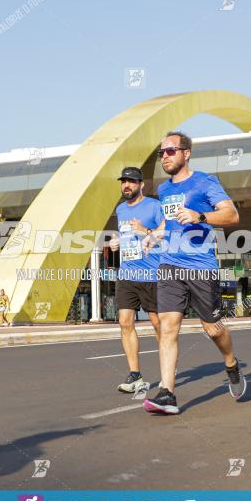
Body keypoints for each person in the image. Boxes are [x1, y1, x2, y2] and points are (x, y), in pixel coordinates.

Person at [142, 131, 245, 415]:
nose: (164, 156)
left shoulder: (205, 182)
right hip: (170, 264)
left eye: (170, 151)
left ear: (186, 153)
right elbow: (169, 220)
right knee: (167, 326)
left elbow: (232, 215)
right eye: (161, 152)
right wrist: (155, 235)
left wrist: (200, 216)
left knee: (212, 329)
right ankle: (167, 394)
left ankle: (231, 364)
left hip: (200, 267)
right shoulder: (164, 190)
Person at [109, 166, 164, 394]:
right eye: (123, 181)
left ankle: (167, 369)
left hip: (151, 273)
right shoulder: (121, 209)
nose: (126, 185)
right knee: (124, 321)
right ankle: (135, 375)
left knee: (158, 323)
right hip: (128, 274)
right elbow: (125, 236)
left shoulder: (154, 206)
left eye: (131, 182)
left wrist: (146, 230)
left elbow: (168, 233)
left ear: (141, 184)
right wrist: (116, 241)